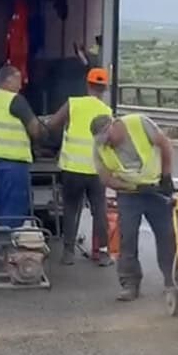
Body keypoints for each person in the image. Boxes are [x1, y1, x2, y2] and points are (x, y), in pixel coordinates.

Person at [90, 113, 176, 302]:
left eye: (108, 139)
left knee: (167, 236)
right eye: (103, 142)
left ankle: (172, 281)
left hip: (157, 191)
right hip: (129, 196)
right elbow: (106, 179)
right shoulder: (99, 148)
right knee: (127, 239)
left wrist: (167, 176)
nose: (107, 144)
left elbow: (165, 145)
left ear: (113, 126)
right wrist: (132, 187)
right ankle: (130, 284)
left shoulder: (139, 123)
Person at [47, 67, 114, 266]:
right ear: (104, 88)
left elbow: (52, 125)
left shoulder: (73, 103)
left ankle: (68, 253)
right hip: (96, 171)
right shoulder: (107, 111)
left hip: (72, 169)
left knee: (70, 209)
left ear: (87, 84)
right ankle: (102, 254)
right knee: (99, 210)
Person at [0, 65, 42, 227]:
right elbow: (35, 129)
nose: (21, 85)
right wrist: (45, 135)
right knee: (13, 210)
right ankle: (9, 247)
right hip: (13, 163)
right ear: (8, 80)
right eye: (18, 80)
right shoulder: (15, 99)